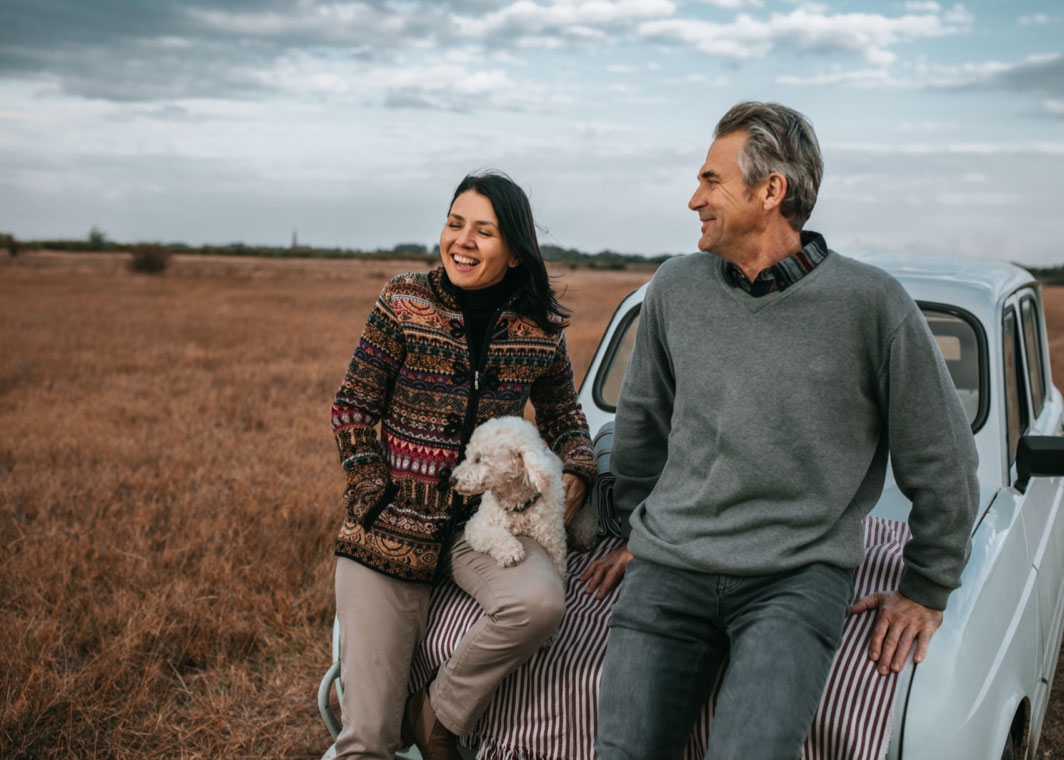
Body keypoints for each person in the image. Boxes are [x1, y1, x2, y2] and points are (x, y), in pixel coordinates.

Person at [585, 102, 980, 759]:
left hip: (795, 581)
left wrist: (926, 588)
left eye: (711, 181)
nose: (693, 200)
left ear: (771, 191)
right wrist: (633, 530)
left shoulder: (871, 303)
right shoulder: (675, 288)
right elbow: (642, 425)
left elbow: (941, 456)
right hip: (669, 572)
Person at [330, 171, 596, 760]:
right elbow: (351, 407)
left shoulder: (539, 329)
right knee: (369, 742)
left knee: (541, 604)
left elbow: (565, 418)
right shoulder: (403, 301)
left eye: (484, 231)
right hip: (389, 536)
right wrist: (375, 494)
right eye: (455, 224)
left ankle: (438, 715)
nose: (462, 241)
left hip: (484, 527)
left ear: (515, 249)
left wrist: (578, 467)